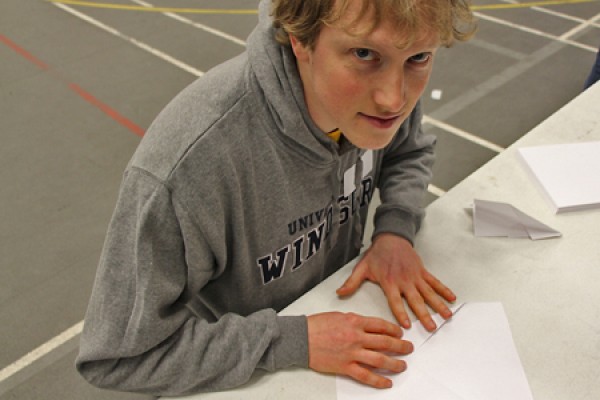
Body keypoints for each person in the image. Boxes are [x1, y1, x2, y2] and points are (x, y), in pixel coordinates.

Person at [76, 0, 476, 396]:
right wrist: (292, 341)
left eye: (420, 57)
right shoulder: (189, 166)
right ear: (300, 40)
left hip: (335, 324)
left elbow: (409, 150)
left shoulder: (382, 87)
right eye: (363, 54)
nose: (394, 99)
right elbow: (117, 356)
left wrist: (395, 230)